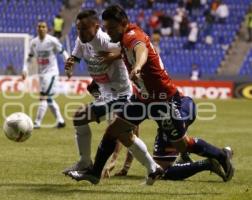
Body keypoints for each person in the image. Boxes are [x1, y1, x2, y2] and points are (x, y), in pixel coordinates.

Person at [67, 5, 234, 185]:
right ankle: (94, 173)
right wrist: (107, 65)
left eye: (112, 28)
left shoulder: (133, 36)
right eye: (106, 29)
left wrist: (138, 66)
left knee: (182, 145)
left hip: (164, 101)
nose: (108, 33)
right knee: (113, 130)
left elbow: (141, 50)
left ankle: (220, 155)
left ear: (123, 23)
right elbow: (120, 52)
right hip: (143, 99)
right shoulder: (122, 39)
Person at [63, 10, 162, 185]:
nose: (81, 33)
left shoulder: (106, 40)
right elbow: (75, 57)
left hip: (122, 94)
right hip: (105, 94)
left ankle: (86, 163)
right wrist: (70, 63)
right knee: (124, 136)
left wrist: (114, 56)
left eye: (85, 29)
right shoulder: (81, 41)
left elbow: (130, 48)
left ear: (96, 26)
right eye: (78, 29)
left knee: (81, 116)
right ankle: (153, 168)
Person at [22, 21, 68, 129]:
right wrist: (25, 69)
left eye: (43, 27)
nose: (41, 28)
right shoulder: (34, 42)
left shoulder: (52, 41)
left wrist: (68, 65)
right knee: (49, 99)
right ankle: (60, 121)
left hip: (52, 73)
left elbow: (63, 52)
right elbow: (29, 58)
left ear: (47, 29)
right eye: (39, 27)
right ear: (37, 29)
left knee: (43, 96)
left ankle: (37, 123)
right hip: (41, 74)